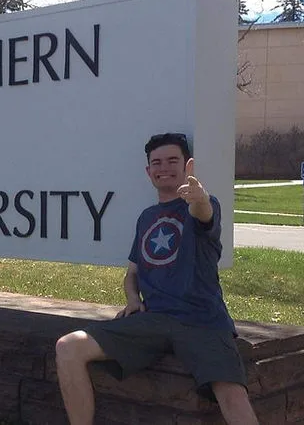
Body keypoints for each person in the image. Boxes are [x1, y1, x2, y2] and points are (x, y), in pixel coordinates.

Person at [55, 133, 259, 425]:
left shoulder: (202, 204)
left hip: (202, 320)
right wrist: (132, 299)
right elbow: (133, 272)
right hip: (153, 320)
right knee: (68, 347)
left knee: (231, 392)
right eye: (157, 162)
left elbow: (204, 214)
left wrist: (199, 198)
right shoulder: (146, 217)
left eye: (173, 160)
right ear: (148, 171)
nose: (164, 167)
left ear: (187, 165)